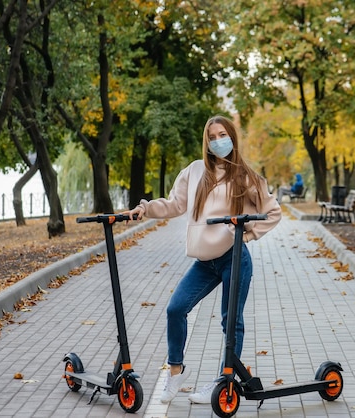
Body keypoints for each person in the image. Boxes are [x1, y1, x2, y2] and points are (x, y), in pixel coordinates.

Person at [126, 115, 281, 404]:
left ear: (232, 137)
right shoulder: (195, 171)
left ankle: (225, 380)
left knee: (230, 322)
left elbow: (272, 212)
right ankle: (175, 371)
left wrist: (246, 234)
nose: (217, 140)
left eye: (222, 134)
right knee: (176, 309)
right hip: (205, 263)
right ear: (206, 143)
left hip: (233, 258)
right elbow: (174, 204)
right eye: (211, 137)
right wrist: (145, 209)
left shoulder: (245, 176)